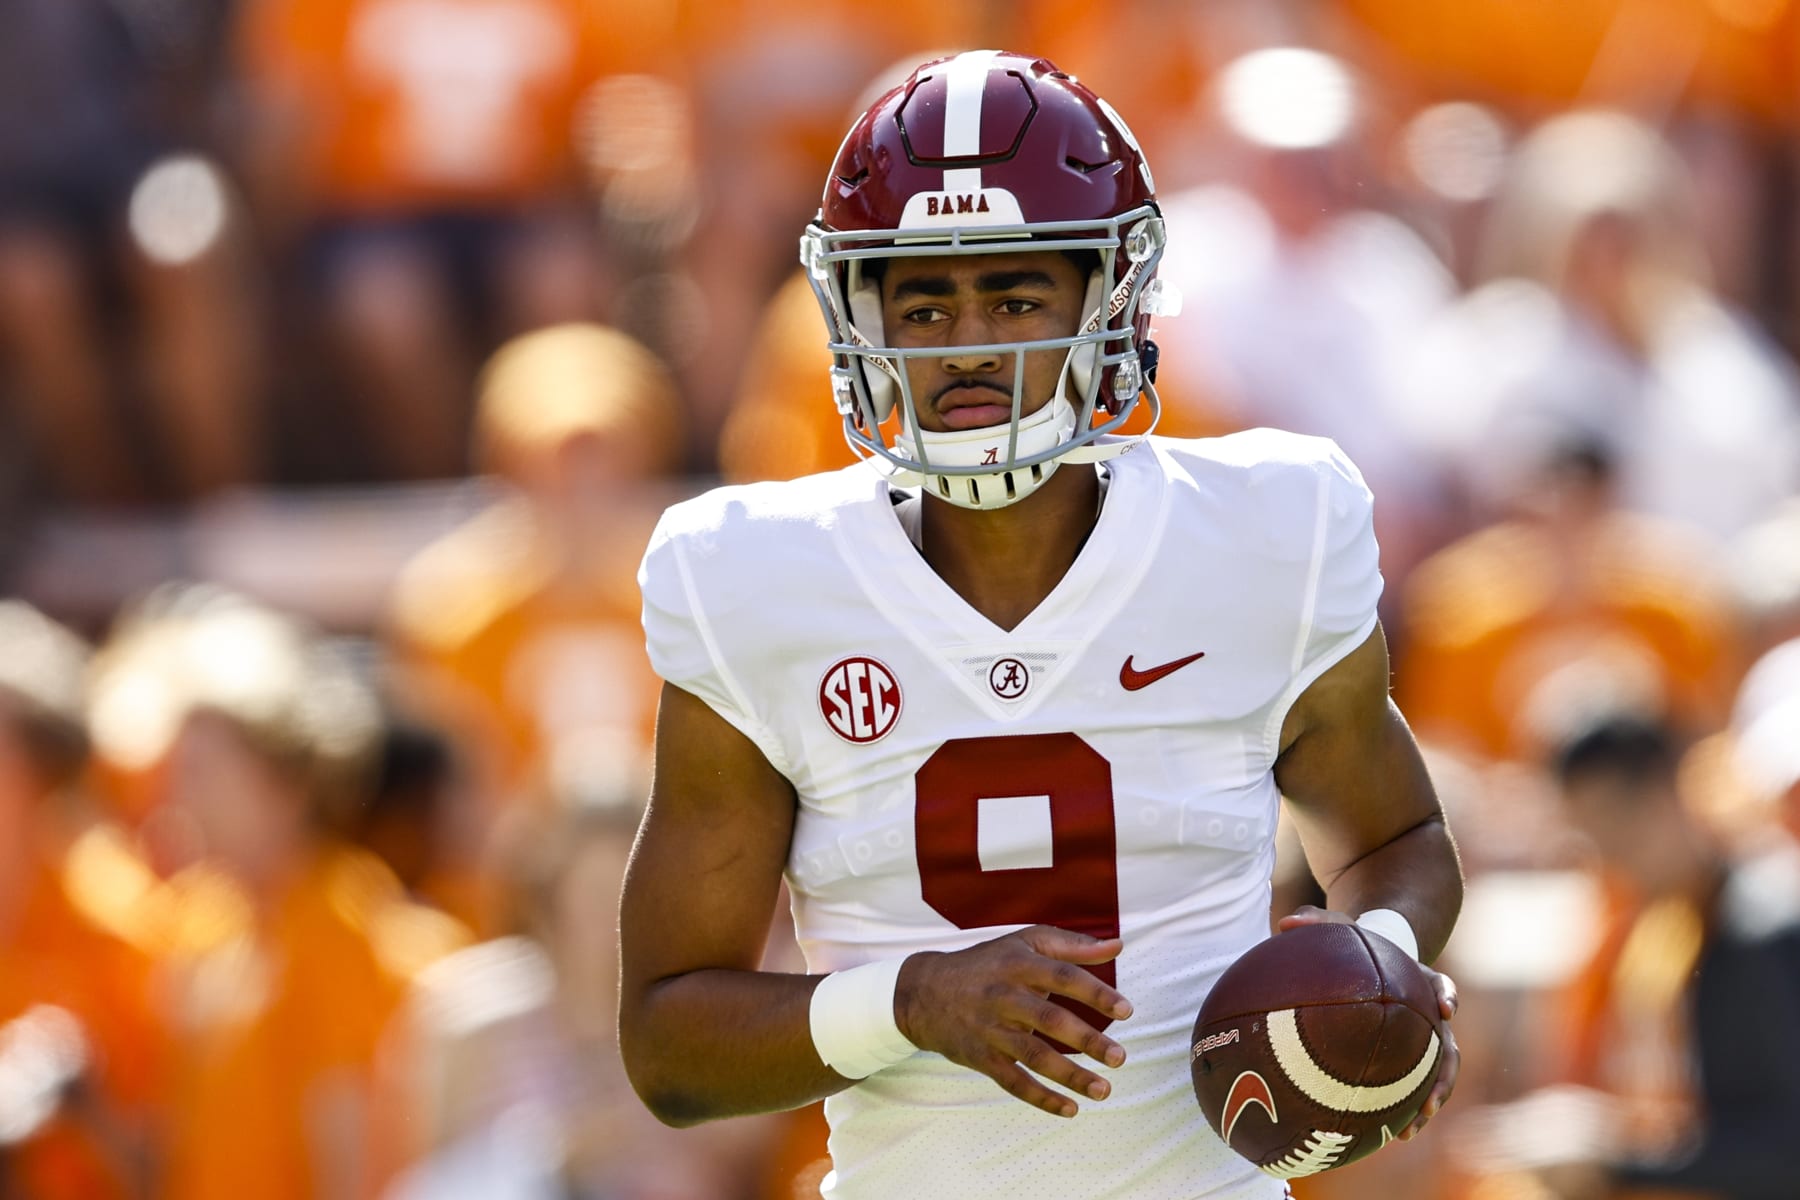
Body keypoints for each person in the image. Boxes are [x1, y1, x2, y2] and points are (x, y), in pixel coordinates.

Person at [619, 50, 1464, 1199]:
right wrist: (910, 1002)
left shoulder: (1266, 532)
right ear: (858, 316)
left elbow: (1394, 841)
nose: (968, 342)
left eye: (1015, 296)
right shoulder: (760, 581)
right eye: (923, 301)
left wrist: (1381, 968)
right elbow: (670, 1045)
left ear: (1109, 300)